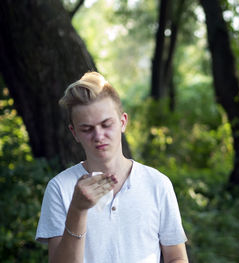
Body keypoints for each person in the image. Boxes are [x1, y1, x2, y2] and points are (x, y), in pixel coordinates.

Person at [35, 72, 188, 263]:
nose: (99, 136)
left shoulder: (158, 183)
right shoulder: (59, 188)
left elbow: (177, 258)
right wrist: (78, 209)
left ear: (123, 122)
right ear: (74, 133)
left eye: (106, 124)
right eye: (87, 129)